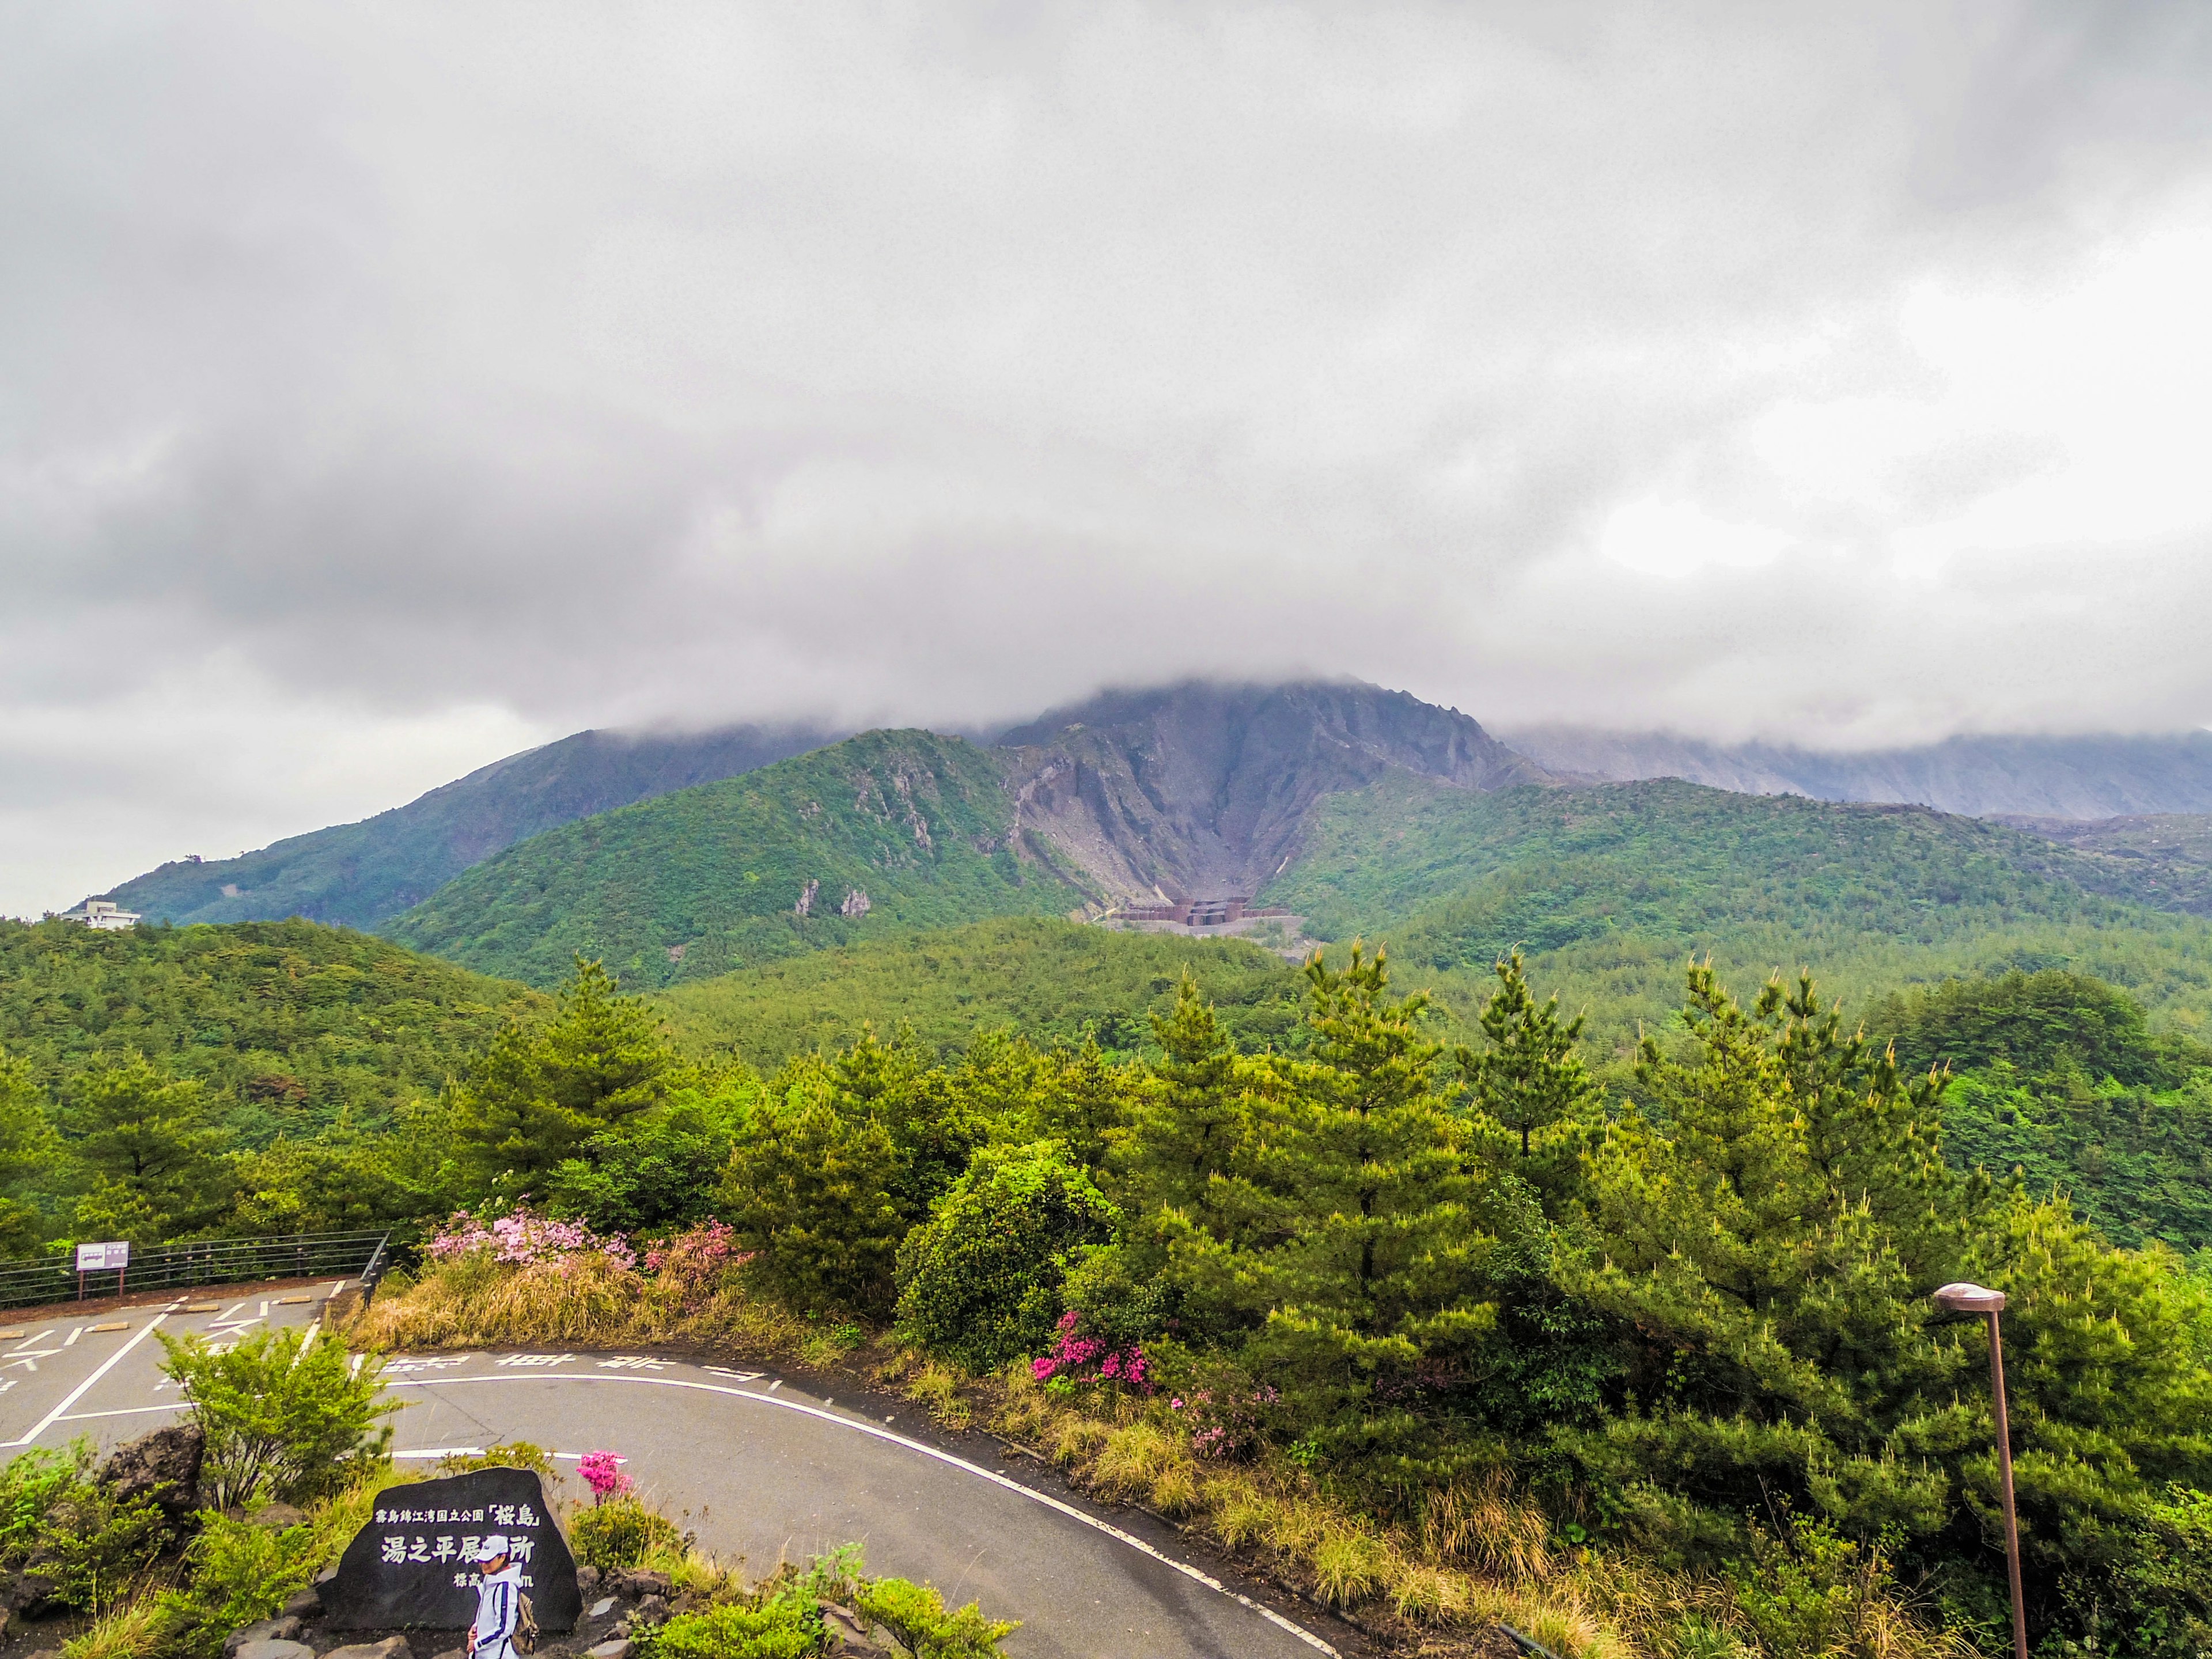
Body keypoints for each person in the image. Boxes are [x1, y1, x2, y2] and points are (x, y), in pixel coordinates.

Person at [466, 1536, 524, 1659]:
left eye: (488, 1561)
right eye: (482, 1560)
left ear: (502, 1558)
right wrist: (476, 1628)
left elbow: (503, 1628)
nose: (483, 1565)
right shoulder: (493, 1583)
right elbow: (489, 1616)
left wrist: (477, 1644)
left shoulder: (506, 1586)